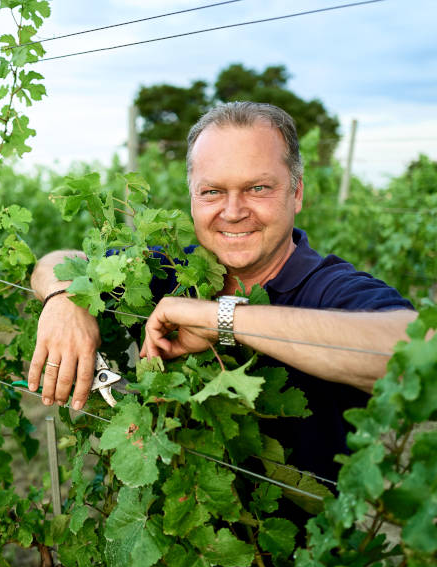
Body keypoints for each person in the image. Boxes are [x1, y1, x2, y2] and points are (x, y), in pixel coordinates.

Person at [28, 101, 415, 480]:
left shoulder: (328, 288)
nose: (233, 211)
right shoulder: (169, 271)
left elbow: (417, 350)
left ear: (296, 193)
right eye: (212, 191)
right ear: (192, 198)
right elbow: (56, 261)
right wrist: (65, 299)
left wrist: (221, 320)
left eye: (258, 188)